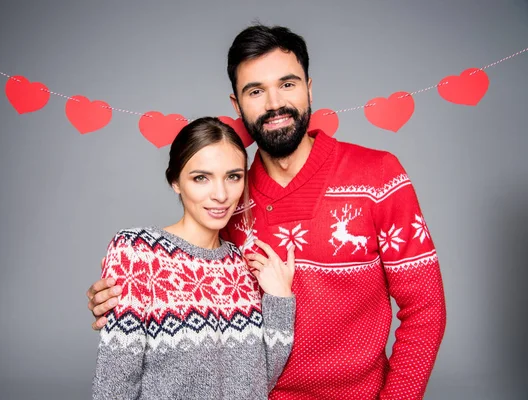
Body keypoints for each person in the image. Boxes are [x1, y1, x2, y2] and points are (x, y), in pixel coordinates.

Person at [87, 25, 447, 399]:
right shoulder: (227, 200)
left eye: (287, 84)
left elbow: (425, 309)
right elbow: (190, 286)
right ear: (237, 104)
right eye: (255, 91)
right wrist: (121, 296)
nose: (274, 103)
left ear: (309, 88)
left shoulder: (378, 176)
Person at [92, 117, 296, 400]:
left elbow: (259, 382)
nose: (221, 195)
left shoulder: (243, 265)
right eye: (201, 177)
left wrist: (280, 300)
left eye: (233, 176)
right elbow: (114, 385)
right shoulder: (137, 252)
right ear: (176, 181)